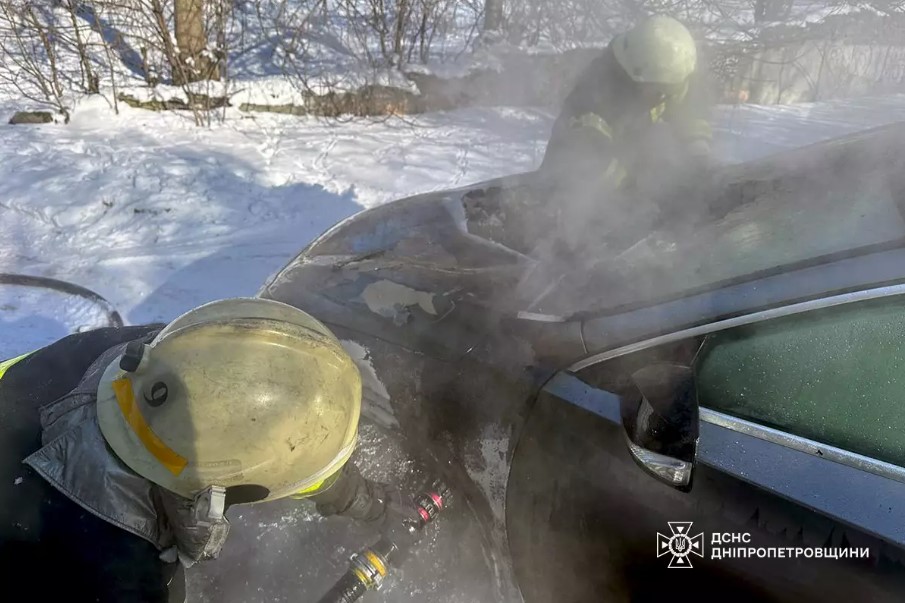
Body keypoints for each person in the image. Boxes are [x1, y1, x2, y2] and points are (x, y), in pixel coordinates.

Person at [0, 297, 409, 602]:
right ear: (210, 484)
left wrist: (359, 499)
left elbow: (281, 442)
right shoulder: (122, 572)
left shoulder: (167, 354)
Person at [540, 15, 715, 198]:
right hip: (572, 195)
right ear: (635, 77)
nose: (663, 97)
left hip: (629, 172)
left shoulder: (665, 76)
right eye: (658, 90)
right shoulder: (595, 98)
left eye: (669, 90)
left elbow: (688, 105)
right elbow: (589, 168)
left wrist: (698, 153)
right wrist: (643, 184)